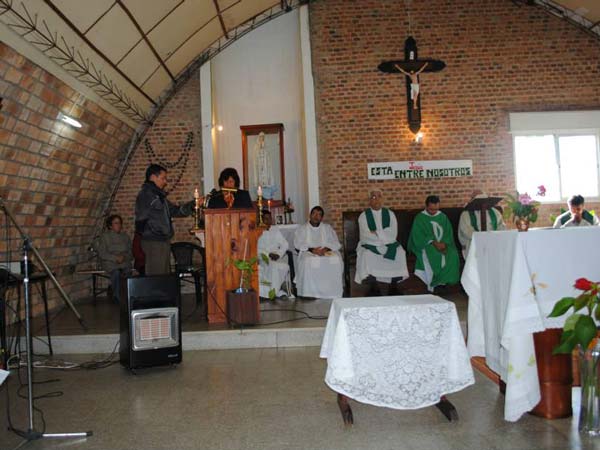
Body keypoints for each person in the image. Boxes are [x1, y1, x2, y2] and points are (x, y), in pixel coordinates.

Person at [135, 164, 194, 275]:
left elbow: (175, 211)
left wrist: (193, 205)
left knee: (163, 275)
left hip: (161, 241)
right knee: (156, 276)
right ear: (153, 177)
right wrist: (158, 232)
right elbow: (141, 219)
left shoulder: (158, 196)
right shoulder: (146, 195)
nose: (165, 182)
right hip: (154, 242)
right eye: (163, 178)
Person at [355, 189, 408, 295]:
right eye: (373, 197)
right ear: (369, 200)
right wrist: (382, 236)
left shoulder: (390, 214)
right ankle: (373, 285)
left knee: (400, 253)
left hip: (389, 243)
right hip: (370, 244)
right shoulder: (364, 216)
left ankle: (393, 284)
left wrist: (377, 233)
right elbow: (365, 234)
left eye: (379, 197)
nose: (376, 200)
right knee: (367, 254)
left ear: (382, 199)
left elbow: (393, 232)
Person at [408, 195, 460, 293]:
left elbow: (448, 232)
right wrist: (433, 242)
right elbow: (417, 235)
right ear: (426, 206)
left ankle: (444, 283)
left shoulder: (443, 217)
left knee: (452, 254)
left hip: (442, 243)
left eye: (436, 209)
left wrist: (444, 243)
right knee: (434, 254)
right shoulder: (420, 218)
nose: (434, 212)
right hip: (426, 244)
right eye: (431, 209)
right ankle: (434, 284)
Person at [293, 206, 343, 299]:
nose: (316, 216)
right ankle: (309, 293)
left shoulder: (327, 228)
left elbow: (335, 242)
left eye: (319, 215)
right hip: (309, 251)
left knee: (336, 259)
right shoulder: (302, 228)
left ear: (322, 218)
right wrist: (313, 250)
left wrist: (326, 249)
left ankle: (332, 291)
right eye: (314, 213)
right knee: (308, 260)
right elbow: (297, 244)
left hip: (325, 251)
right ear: (310, 215)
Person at [95, 214, 133, 303]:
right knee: (116, 273)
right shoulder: (105, 237)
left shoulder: (125, 237)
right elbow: (102, 253)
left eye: (119, 223)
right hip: (110, 262)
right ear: (110, 226)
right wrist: (115, 258)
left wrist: (124, 257)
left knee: (127, 272)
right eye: (116, 223)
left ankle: (127, 295)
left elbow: (130, 253)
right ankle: (117, 297)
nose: (119, 225)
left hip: (123, 261)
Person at [458, 191, 506, 258]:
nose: (482, 204)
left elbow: (502, 227)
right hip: (474, 243)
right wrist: (482, 238)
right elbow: (467, 231)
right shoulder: (466, 214)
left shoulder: (495, 212)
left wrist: (493, 236)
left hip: (493, 241)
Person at [257, 210, 291, 299]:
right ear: (261, 220)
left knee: (283, 266)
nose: (268, 221)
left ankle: (274, 291)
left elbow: (285, 244)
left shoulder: (275, 230)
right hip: (262, 257)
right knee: (273, 267)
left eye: (270, 218)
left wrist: (278, 254)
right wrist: (268, 254)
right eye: (266, 219)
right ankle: (273, 292)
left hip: (276, 257)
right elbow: (255, 248)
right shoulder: (257, 231)